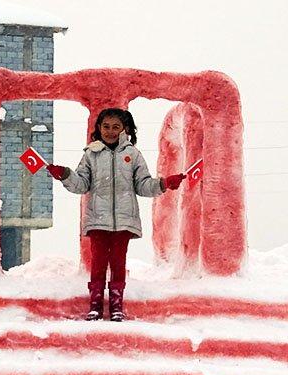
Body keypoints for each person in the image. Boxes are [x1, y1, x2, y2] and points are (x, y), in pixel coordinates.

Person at [46, 108, 186, 322]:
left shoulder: (133, 155)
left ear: (125, 129)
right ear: (99, 128)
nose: (110, 131)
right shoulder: (90, 154)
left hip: (124, 221)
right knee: (98, 263)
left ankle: (116, 306)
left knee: (118, 264)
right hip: (97, 220)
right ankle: (95, 306)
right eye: (106, 127)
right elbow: (81, 185)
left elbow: (143, 185)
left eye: (116, 127)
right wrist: (66, 175)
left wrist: (164, 183)